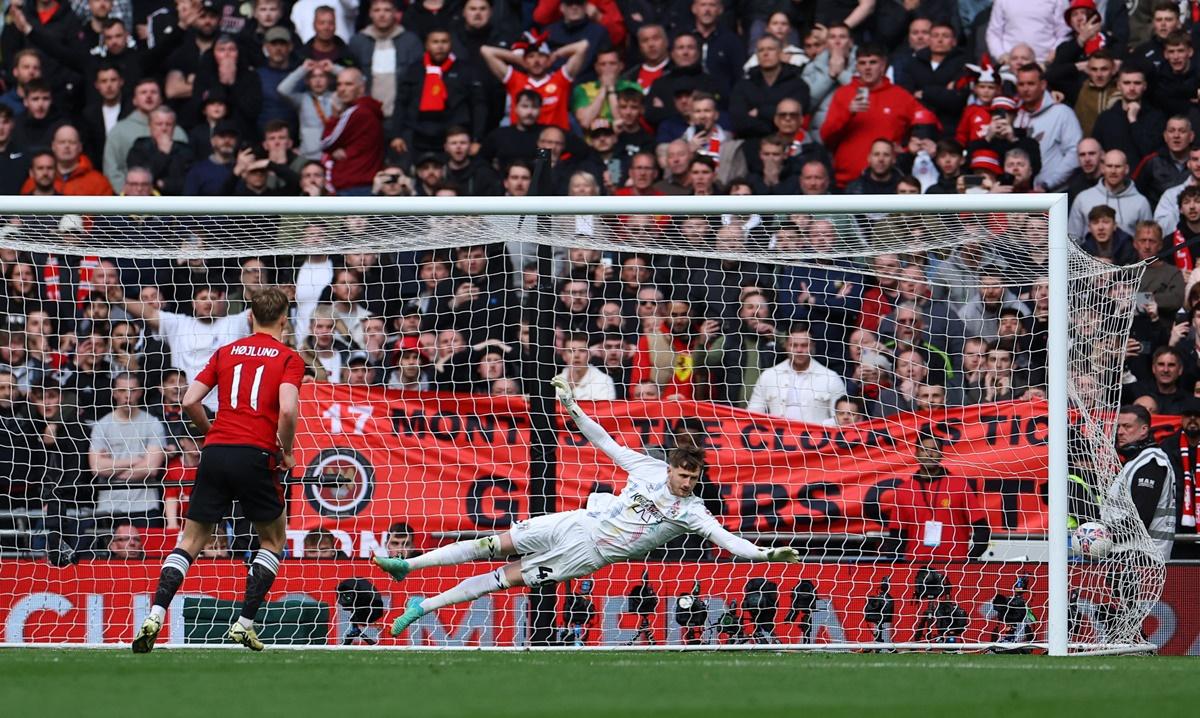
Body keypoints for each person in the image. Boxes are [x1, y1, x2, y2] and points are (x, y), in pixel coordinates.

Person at [373, 375, 800, 637]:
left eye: (693, 478)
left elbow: (728, 541)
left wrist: (764, 553)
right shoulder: (648, 468)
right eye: (682, 475)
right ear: (671, 468)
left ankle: (421, 607)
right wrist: (572, 407)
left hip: (587, 555)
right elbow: (604, 441)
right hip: (576, 521)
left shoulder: (693, 513)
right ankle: (408, 566)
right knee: (491, 543)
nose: (686, 482)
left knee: (500, 579)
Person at [132, 288, 302, 653]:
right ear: (284, 318)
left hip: (215, 452)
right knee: (272, 540)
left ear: (250, 316)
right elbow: (287, 411)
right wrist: (285, 451)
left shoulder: (226, 352)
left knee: (190, 541)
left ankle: (156, 614)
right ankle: (244, 623)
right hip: (256, 454)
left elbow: (190, 400)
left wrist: (212, 434)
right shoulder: (289, 358)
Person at [882, 433, 991, 562]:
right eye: (924, 450)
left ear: (941, 454)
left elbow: (982, 529)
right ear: (916, 454)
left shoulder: (959, 485)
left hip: (954, 567)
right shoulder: (904, 490)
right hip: (915, 566)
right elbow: (896, 535)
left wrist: (968, 560)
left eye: (934, 450)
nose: (929, 454)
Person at [1108, 404, 1176, 562]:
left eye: (1127, 426)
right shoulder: (1138, 460)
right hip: (1129, 553)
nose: (1120, 432)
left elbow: (1140, 517)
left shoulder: (1151, 463)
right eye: (1118, 427)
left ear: (1144, 430)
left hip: (1141, 556)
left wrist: (1104, 535)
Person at [746, 323, 847, 422]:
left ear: (812, 346)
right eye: (794, 345)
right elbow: (752, 415)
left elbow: (841, 420)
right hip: (777, 438)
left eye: (804, 345)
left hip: (816, 438)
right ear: (786, 346)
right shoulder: (769, 376)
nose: (799, 350)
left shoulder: (831, 378)